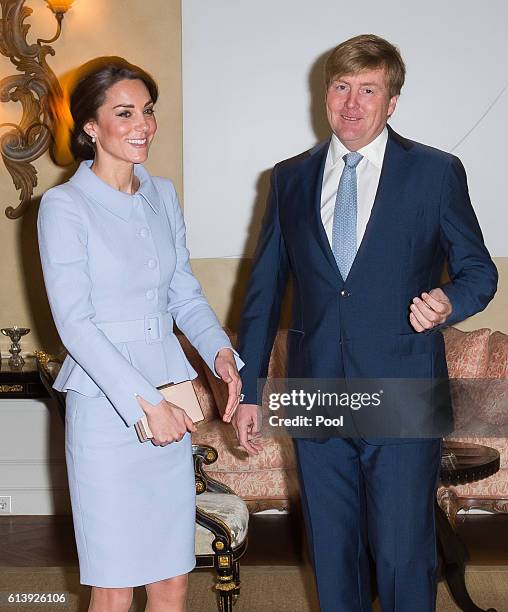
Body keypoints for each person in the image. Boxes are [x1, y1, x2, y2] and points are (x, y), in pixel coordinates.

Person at [232, 34, 497, 611]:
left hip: (402, 392)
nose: (352, 103)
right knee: (332, 551)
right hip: (315, 394)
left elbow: (479, 272)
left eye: (368, 90)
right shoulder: (289, 179)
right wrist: (250, 389)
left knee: (405, 558)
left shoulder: (435, 172)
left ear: (392, 102)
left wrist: (450, 301)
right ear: (326, 94)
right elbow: (263, 295)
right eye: (341, 87)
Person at [38, 58, 243, 612]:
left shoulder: (162, 194)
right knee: (115, 581)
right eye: (124, 112)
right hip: (109, 408)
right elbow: (76, 325)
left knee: (172, 577)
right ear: (90, 127)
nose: (143, 125)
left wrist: (220, 352)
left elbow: (183, 292)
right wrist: (147, 404)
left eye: (147, 111)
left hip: (169, 398)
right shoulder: (64, 206)